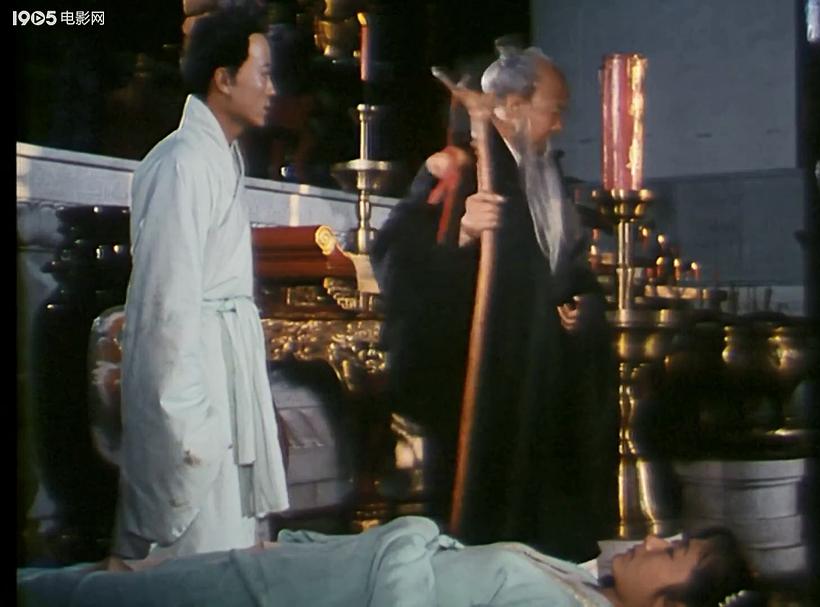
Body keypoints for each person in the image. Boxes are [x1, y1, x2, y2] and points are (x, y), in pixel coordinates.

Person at [371, 39, 619, 561]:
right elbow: (395, 252)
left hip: (540, 376)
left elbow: (567, 267)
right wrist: (462, 234)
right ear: (512, 105)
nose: (559, 126)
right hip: (483, 382)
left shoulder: (543, 174)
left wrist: (581, 306)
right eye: (554, 110)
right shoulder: (460, 166)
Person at [112, 7, 289, 560]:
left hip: (223, 366)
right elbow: (165, 305)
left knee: (230, 551)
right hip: (197, 380)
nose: (272, 89)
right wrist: (189, 428)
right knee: (197, 556)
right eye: (263, 74)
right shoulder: (181, 163)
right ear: (224, 78)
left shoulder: (220, 158)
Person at [17, 516, 762, 607]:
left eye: (672, 551)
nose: (651, 541)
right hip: (293, 575)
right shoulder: (585, 581)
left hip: (289, 600)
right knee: (99, 585)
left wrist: (409, 533)